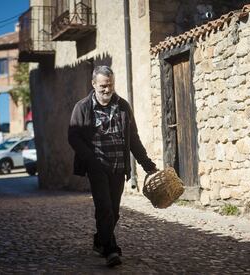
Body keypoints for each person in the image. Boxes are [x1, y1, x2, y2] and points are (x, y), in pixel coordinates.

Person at [68, 65, 157, 267]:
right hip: (97, 167)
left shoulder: (123, 106)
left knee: (114, 211)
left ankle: (100, 240)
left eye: (110, 86)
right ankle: (110, 250)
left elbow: (133, 138)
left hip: (118, 167)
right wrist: (89, 159)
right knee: (104, 208)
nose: (107, 90)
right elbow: (73, 137)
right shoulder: (82, 108)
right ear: (93, 84)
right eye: (102, 86)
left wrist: (147, 164)